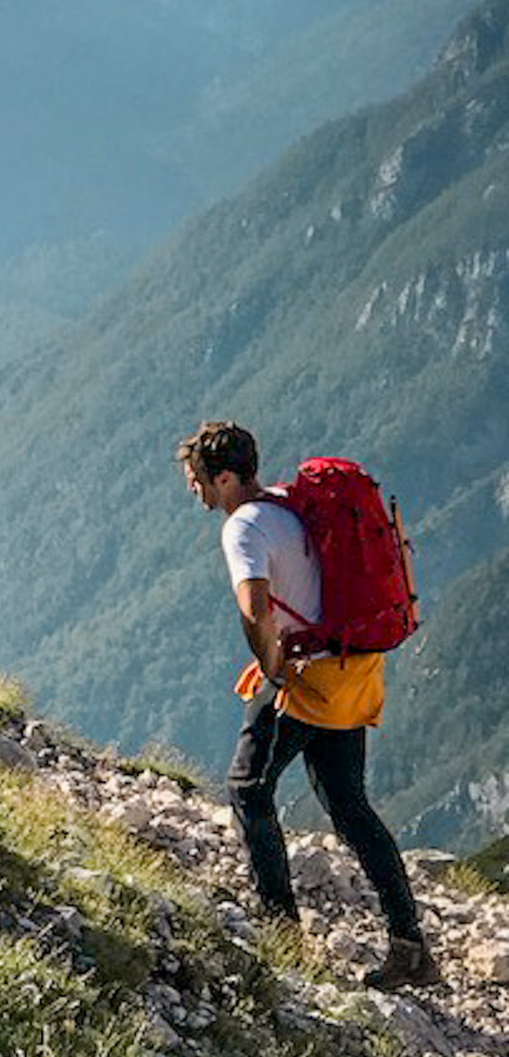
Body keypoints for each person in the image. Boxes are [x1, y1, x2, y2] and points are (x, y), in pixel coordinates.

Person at [177, 421, 438, 989]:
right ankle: (410, 946)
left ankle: (282, 937)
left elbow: (255, 609)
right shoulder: (287, 506)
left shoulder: (244, 526)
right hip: (353, 666)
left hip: (308, 678)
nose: (194, 490)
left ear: (223, 478)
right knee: (350, 806)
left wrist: (272, 667)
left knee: (248, 789)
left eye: (198, 480)